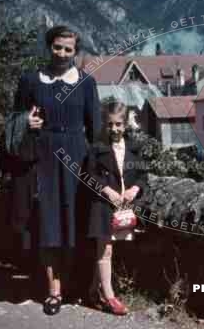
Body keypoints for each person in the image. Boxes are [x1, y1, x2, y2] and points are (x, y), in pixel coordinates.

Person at [9, 25, 101, 315]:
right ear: (49, 46)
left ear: (76, 52)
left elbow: (96, 131)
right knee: (47, 222)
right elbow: (14, 118)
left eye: (68, 49)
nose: (61, 54)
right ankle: (53, 291)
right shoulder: (30, 80)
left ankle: (73, 283)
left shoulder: (86, 84)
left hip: (76, 157)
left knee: (74, 221)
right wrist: (27, 122)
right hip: (42, 157)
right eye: (57, 47)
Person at [85, 101, 147, 315]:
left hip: (123, 207)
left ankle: (93, 290)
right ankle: (110, 298)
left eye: (119, 124)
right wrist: (106, 191)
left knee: (107, 250)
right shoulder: (96, 147)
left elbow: (142, 175)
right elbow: (88, 176)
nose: (114, 129)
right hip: (102, 204)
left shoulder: (134, 147)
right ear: (105, 123)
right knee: (106, 250)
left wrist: (135, 189)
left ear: (126, 124)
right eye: (110, 124)